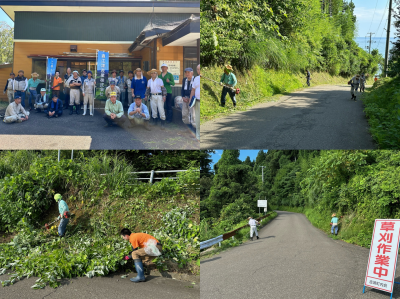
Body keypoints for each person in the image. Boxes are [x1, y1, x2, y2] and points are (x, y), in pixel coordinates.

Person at [181, 67, 195, 132]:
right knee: (184, 113)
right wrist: (183, 97)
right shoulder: (184, 80)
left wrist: (190, 98)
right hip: (185, 98)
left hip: (192, 98)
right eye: (186, 72)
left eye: (188, 72)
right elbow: (182, 89)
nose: (187, 74)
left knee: (193, 113)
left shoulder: (195, 79)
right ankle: (187, 126)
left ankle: (194, 127)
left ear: (192, 73)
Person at [190, 64, 201, 141]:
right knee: (197, 119)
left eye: (200, 69)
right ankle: (198, 137)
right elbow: (193, 90)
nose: (198, 71)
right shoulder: (196, 78)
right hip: (197, 101)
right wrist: (190, 101)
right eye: (197, 69)